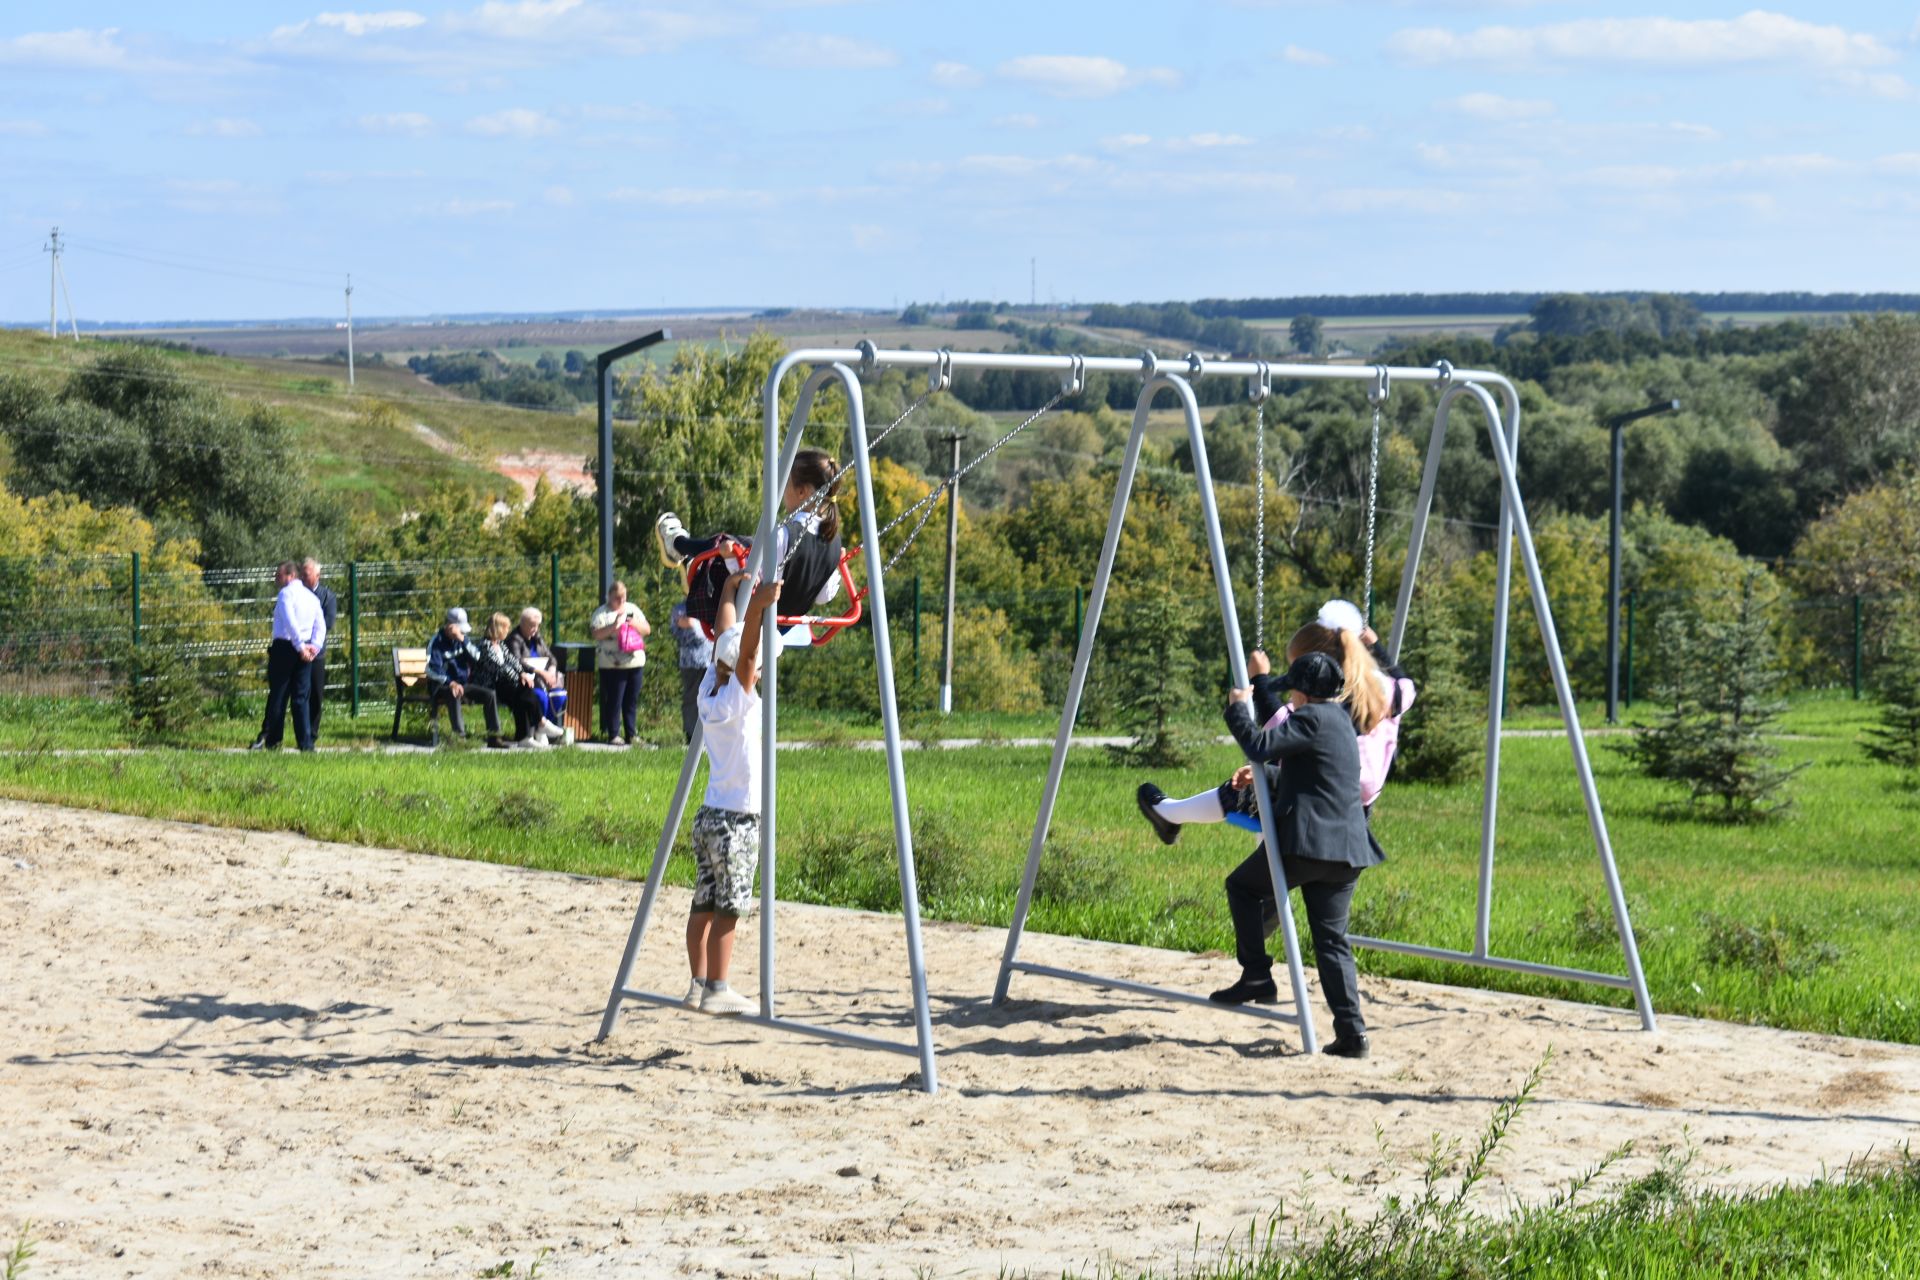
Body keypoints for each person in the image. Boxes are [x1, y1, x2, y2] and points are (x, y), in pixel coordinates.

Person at [1137, 600, 1416, 850]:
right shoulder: (1388, 692)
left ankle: (1168, 814)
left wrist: (1259, 681)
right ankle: (1173, 817)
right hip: (1358, 810)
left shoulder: (1327, 710)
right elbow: (1405, 682)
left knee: (1247, 787)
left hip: (1316, 803)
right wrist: (1376, 647)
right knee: (1264, 787)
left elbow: (1278, 726)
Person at [1213, 649, 1382, 1060]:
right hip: (1348, 850)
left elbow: (1256, 741)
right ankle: (1352, 1033)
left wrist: (1238, 708)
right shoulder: (1341, 722)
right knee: (1332, 941)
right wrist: (1264, 773)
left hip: (1309, 846)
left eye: (1293, 690)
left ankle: (1256, 975)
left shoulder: (1309, 718)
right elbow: (1314, 774)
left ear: (1303, 694)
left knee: (1242, 887)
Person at [684, 581, 780, 1016]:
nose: (759, 670)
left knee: (703, 902)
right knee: (730, 907)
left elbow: (727, 640)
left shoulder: (710, 691)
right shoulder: (741, 698)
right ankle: (719, 988)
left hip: (708, 816)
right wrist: (758, 607)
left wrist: (729, 588)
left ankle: (697, 983)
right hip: (737, 820)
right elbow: (743, 652)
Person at [653, 448, 844, 641]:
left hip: (751, 618)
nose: (782, 492)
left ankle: (678, 545)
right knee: (747, 544)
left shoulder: (785, 535)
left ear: (802, 492)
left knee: (725, 545)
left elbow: (751, 579)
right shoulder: (834, 542)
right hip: (785, 625)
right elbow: (823, 596)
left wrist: (730, 559)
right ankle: (684, 552)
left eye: (785, 485)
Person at [251, 561, 325, 753]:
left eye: (279, 575)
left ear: (290, 576)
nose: (277, 578)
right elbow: (320, 625)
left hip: (286, 648)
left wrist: (300, 647)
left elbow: (290, 622)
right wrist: (314, 648)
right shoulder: (311, 597)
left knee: (279, 695)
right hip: (306, 651)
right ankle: (306, 743)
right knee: (301, 698)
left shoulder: (286, 594)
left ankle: (273, 740)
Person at [473, 612, 567, 749]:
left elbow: (513, 661)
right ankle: (539, 725)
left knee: (523, 691)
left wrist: (523, 673)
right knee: (522, 690)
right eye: (506, 627)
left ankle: (528, 735)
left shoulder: (500, 645)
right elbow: (500, 668)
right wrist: (520, 677)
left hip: (505, 683)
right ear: (498, 628)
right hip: (491, 684)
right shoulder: (485, 646)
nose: (507, 631)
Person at [425, 607, 506, 749]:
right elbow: (431, 669)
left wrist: (462, 639)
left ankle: (494, 737)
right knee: (454, 693)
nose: (462, 632)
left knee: (490, 695)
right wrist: (451, 683)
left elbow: (477, 658)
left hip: (463, 684)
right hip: (442, 686)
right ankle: (459, 738)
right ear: (450, 626)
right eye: (459, 629)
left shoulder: (462, 639)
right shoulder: (436, 642)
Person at [589, 580, 649, 746]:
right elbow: (596, 634)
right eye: (617, 598)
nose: (621, 601)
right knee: (614, 700)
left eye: (623, 598)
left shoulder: (633, 609)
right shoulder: (601, 613)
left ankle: (632, 734)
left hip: (634, 662)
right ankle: (613, 734)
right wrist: (614, 626)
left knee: (631, 700)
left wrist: (633, 623)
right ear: (609, 597)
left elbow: (647, 630)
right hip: (612, 664)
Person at [506, 607, 568, 731]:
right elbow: (517, 661)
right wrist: (541, 672)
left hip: (544, 678)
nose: (535, 629)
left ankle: (548, 727)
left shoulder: (537, 638)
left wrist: (551, 670)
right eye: (532, 626)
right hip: (528, 680)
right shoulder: (514, 639)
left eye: (537, 626)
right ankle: (539, 728)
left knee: (559, 695)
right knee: (541, 697)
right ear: (522, 624)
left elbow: (551, 657)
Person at [299, 558, 338, 743]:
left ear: (317, 576)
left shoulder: (327, 597)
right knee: (298, 694)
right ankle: (299, 733)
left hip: (316, 653)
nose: (303, 578)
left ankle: (312, 734)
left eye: (306, 575)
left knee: (315, 694)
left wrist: (311, 645)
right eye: (302, 574)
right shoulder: (295, 595)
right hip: (297, 650)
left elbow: (327, 623)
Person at [667, 598, 713, 743]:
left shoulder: (711, 606)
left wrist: (695, 625)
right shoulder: (680, 609)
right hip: (690, 661)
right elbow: (676, 632)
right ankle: (691, 733)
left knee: (712, 697)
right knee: (692, 697)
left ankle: (711, 733)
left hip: (711, 659)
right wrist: (691, 625)